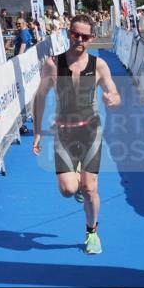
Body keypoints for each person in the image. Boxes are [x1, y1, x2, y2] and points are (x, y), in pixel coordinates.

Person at [32, 13, 121, 255]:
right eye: (74, 34)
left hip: (90, 131)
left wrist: (112, 99)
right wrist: (37, 132)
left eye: (84, 36)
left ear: (92, 38)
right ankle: (77, 185)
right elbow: (39, 98)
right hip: (63, 132)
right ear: (68, 34)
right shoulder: (53, 64)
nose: (78, 40)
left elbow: (115, 94)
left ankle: (92, 232)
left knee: (90, 187)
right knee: (68, 190)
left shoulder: (99, 65)